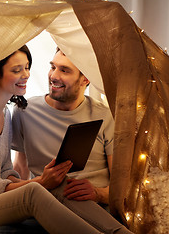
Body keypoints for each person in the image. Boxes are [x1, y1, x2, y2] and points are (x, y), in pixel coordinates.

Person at [0, 45, 123, 234]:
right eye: (17, 70)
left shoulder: (5, 112)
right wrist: (41, 182)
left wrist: (93, 192)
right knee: (38, 191)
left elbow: (7, 170)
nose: (27, 75)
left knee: (55, 185)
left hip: (85, 205)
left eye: (27, 67)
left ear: (85, 78)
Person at [11, 48, 130, 233]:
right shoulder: (24, 111)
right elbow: (20, 167)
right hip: (47, 205)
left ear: (85, 79)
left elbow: (121, 186)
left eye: (64, 70)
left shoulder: (105, 115)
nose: (54, 76)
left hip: (95, 207)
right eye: (53, 67)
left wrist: (97, 193)